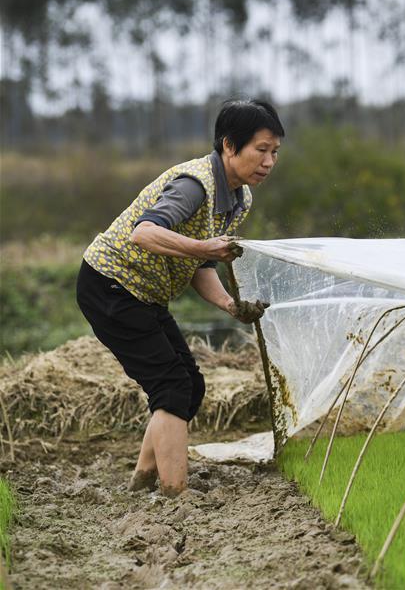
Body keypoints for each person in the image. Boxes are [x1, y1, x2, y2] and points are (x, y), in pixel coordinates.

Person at [76, 99, 284, 496]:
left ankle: (142, 479)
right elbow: (145, 233)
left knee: (189, 383)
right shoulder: (195, 185)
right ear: (228, 146)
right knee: (170, 385)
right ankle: (175, 493)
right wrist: (205, 248)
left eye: (275, 152)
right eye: (260, 150)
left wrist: (229, 304)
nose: (269, 161)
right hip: (111, 284)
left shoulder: (239, 199)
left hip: (143, 294)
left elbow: (199, 264)